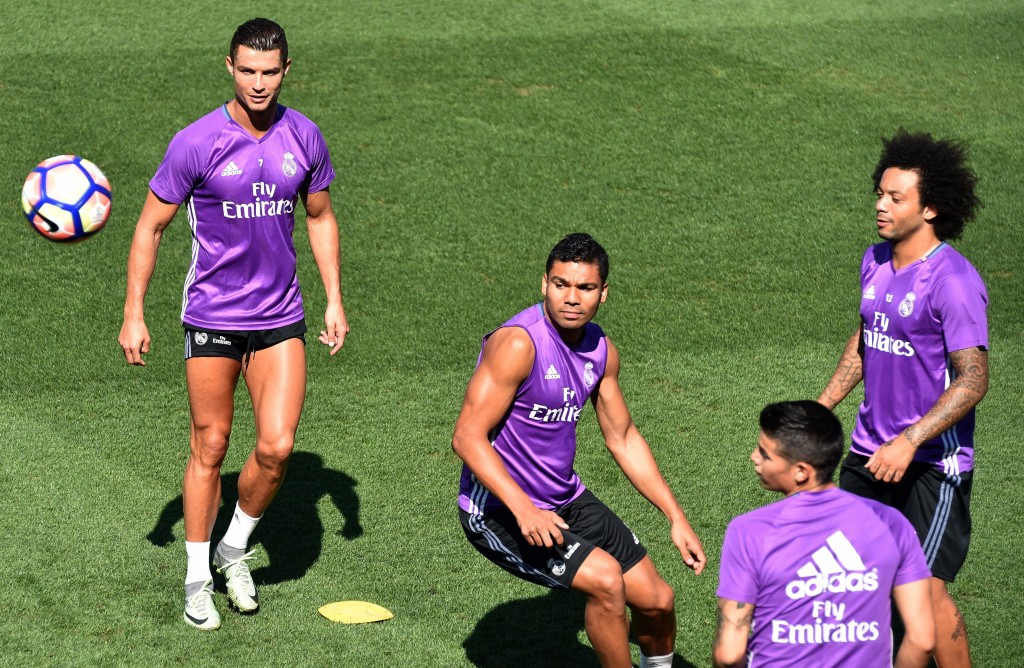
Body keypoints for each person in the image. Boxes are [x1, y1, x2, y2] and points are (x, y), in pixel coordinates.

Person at [118, 17, 348, 630]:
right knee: (211, 445)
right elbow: (150, 226)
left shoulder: (305, 136)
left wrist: (334, 298)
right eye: (247, 70)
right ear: (229, 67)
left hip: (280, 316)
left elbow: (320, 217)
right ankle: (197, 579)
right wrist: (133, 313)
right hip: (213, 316)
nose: (258, 83)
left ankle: (233, 547)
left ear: (286, 71)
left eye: (269, 72)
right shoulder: (196, 142)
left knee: (275, 448)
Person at [452, 233, 706, 668]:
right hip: (496, 508)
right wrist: (523, 510)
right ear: (544, 284)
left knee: (658, 601)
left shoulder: (601, 350)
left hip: (565, 498)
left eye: (585, 288)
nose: (571, 298)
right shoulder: (518, 344)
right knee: (607, 582)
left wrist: (675, 516)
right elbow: (467, 437)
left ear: (603, 293)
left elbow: (623, 437)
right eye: (560, 284)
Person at [818, 130, 987, 665]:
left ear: (930, 207)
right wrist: (824, 407)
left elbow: (973, 379)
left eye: (896, 197)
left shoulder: (953, 282)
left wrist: (910, 441)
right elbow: (868, 336)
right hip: (870, 453)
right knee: (864, 581)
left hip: (931, 465)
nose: (880, 205)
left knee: (928, 592)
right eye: (880, 193)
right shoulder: (874, 260)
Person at [714, 401, 935, 668]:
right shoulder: (891, 523)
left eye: (764, 453)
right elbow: (923, 641)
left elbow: (729, 654)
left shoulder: (749, 531)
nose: (754, 456)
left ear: (801, 472)